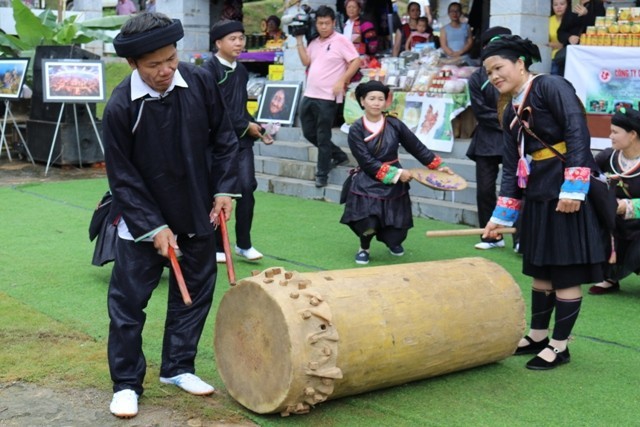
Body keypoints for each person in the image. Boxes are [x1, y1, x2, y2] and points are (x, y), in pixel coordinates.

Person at [103, 13, 239, 418]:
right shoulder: (119, 107)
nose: (164, 71)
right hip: (142, 221)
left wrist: (223, 188)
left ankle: (178, 367)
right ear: (132, 64)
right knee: (128, 305)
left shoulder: (197, 81)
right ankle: (126, 383)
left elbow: (224, 137)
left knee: (195, 294)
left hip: (196, 207)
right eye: (153, 65)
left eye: (170, 59)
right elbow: (122, 177)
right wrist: (153, 226)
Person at [481, 35, 605, 370]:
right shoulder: (507, 108)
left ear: (520, 64)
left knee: (564, 272)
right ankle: (538, 335)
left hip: (565, 191)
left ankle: (560, 345)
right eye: (489, 72)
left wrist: (573, 189)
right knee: (540, 270)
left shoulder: (551, 85)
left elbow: (577, 129)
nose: (494, 76)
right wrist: (501, 216)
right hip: (537, 193)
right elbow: (511, 167)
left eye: (499, 68)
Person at [340, 80, 453, 264]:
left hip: (395, 185)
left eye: (380, 99)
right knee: (367, 222)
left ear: (386, 102)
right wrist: (397, 174)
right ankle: (364, 247)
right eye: (372, 98)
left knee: (397, 224)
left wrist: (437, 166)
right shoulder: (356, 129)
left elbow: (416, 147)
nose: (376, 102)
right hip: (368, 182)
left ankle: (393, 242)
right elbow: (366, 161)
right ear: (362, 101)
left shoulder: (394, 123)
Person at [203, 20, 273, 263]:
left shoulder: (241, 71)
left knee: (246, 189)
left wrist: (259, 128)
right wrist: (246, 126)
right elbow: (213, 110)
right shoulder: (207, 71)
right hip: (216, 143)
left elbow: (240, 108)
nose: (239, 43)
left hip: (241, 142)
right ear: (218, 42)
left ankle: (244, 244)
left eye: (241, 38)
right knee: (215, 193)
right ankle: (217, 247)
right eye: (233, 39)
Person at [295, 5, 360, 188]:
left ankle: (322, 174)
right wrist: (299, 40)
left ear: (333, 23)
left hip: (328, 97)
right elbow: (306, 62)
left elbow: (356, 61)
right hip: (309, 94)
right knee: (308, 132)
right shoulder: (314, 42)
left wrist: (343, 80)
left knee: (323, 135)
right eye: (320, 23)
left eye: (327, 23)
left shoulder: (341, 40)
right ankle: (338, 155)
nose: (323, 27)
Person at [467, 26, 512, 250]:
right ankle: (491, 236)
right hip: (487, 139)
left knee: (517, 189)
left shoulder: (519, 73)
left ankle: (522, 239)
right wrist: (508, 120)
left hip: (515, 139)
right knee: (485, 189)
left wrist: (515, 125)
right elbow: (481, 111)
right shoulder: (477, 78)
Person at [589, 107, 640, 295]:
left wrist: (625, 206)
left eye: (615, 132)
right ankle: (609, 276)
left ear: (633, 134)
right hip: (614, 226)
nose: (610, 136)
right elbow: (591, 180)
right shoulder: (607, 157)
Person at [548, 0, 582, 76]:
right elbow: (544, 42)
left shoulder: (573, 20)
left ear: (567, 5)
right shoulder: (548, 20)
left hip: (568, 56)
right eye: (555, 5)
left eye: (562, 4)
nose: (559, 7)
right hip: (552, 57)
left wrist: (561, 44)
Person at [342, 0, 378, 69]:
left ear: (359, 9)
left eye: (354, 7)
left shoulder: (366, 24)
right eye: (349, 7)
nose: (351, 9)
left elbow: (373, 45)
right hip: (349, 62)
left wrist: (367, 57)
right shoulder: (345, 25)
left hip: (363, 63)